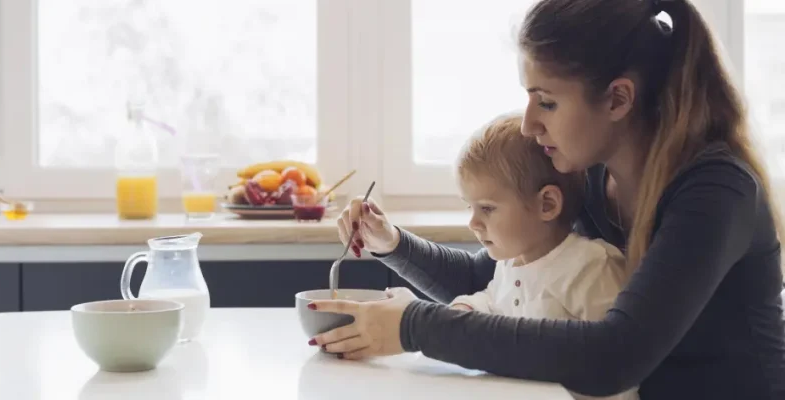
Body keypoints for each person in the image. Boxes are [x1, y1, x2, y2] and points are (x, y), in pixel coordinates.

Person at [307, 0, 785, 399]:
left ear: (618, 99)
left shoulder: (715, 193)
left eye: (547, 101)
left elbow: (614, 354)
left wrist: (414, 327)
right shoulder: (594, 178)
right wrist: (393, 244)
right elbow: (501, 279)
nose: (528, 124)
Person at [450, 114, 637, 400]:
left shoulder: (591, 267)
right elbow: (492, 302)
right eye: (470, 208)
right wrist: (465, 309)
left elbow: (619, 371)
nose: (473, 223)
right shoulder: (509, 263)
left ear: (547, 204)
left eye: (487, 208)